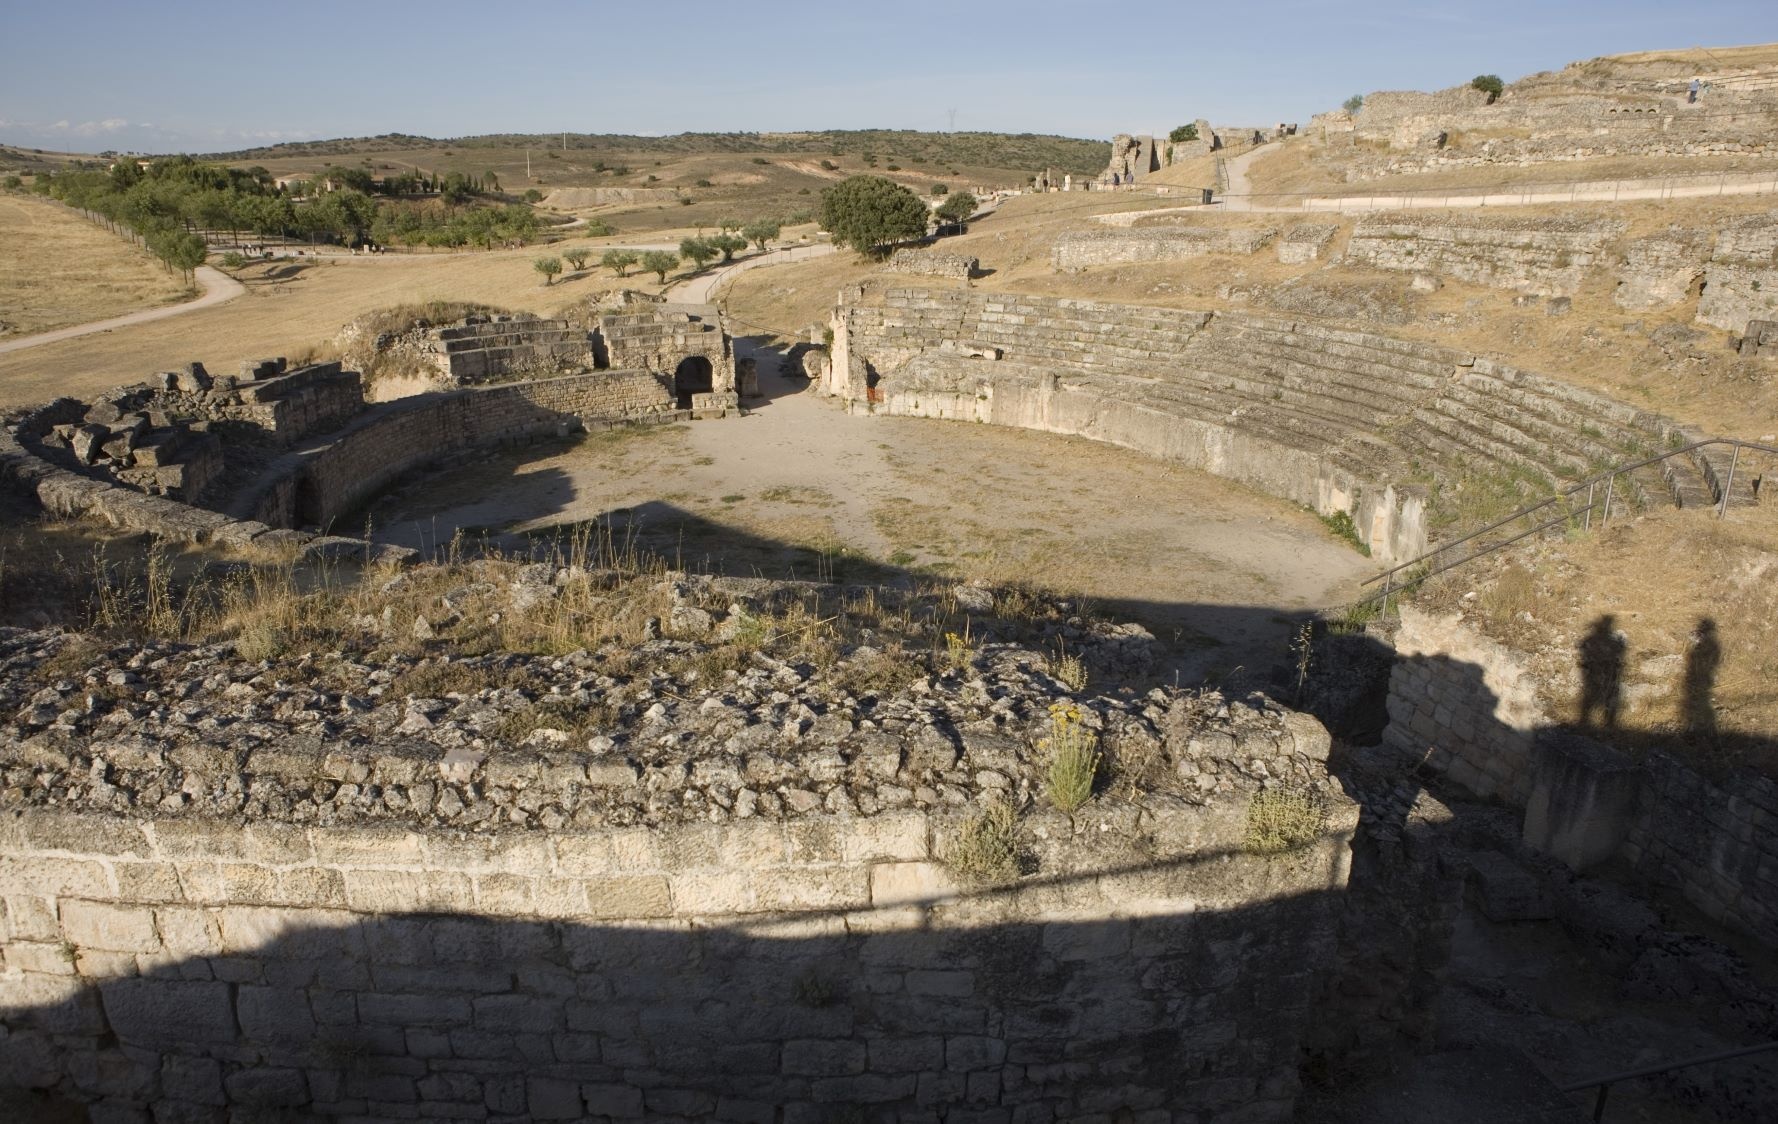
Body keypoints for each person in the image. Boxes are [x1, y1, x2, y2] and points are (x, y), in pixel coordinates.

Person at [1577, 615, 1626, 730]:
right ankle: (1604, 725)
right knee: (1605, 696)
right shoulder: (1611, 640)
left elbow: (1582, 648)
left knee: (1595, 696)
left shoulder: (1591, 640)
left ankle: (1589, 723)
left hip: (1598, 672)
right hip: (1601, 672)